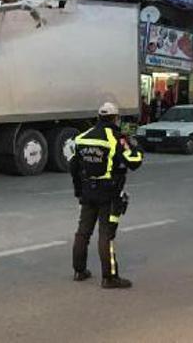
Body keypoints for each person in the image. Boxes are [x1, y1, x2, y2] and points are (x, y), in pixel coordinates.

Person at [70, 102, 144, 289]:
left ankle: (79, 271)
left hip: (87, 191)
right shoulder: (117, 138)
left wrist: (79, 191)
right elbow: (134, 162)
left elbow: (74, 167)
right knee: (106, 234)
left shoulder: (82, 138)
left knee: (83, 232)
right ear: (115, 118)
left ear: (98, 117)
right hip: (109, 193)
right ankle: (109, 277)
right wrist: (137, 148)